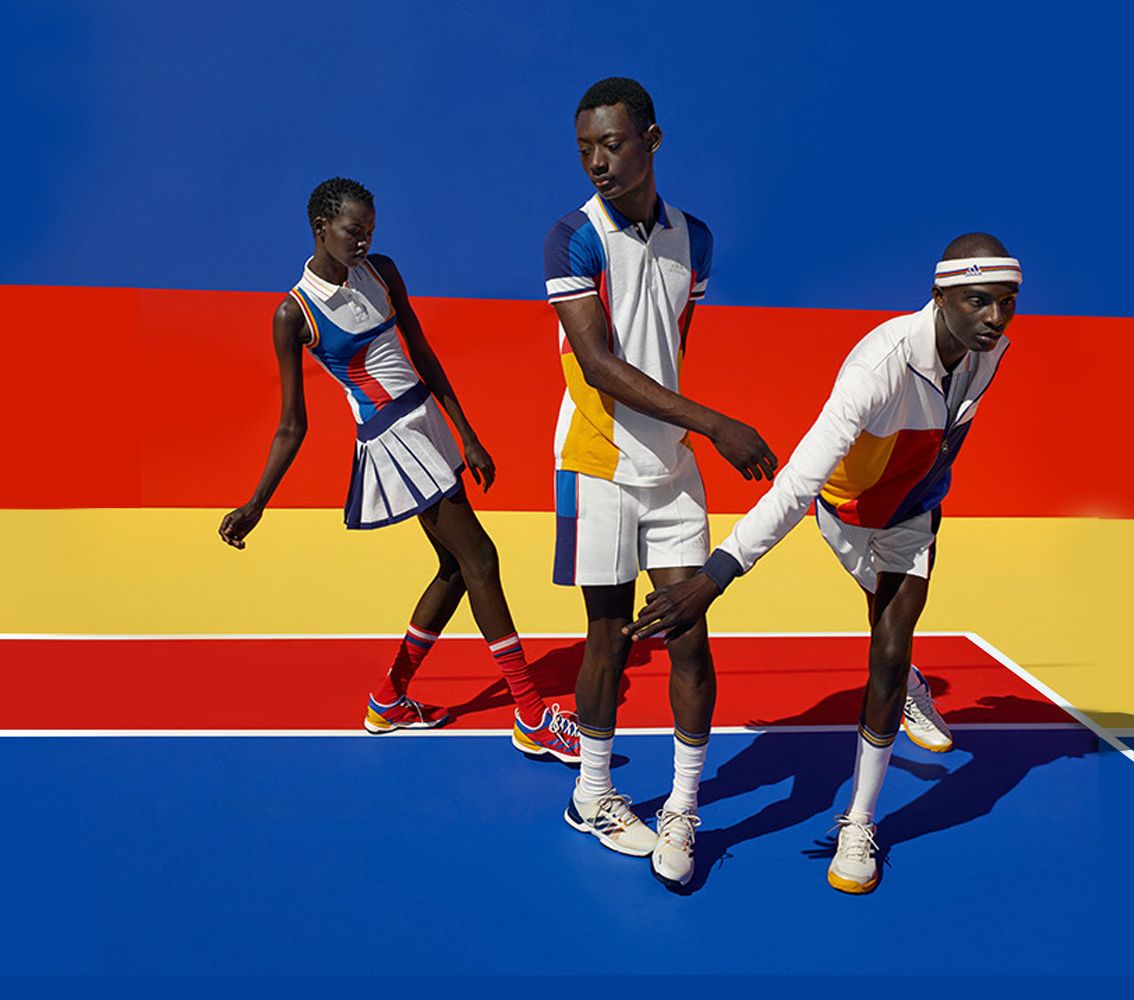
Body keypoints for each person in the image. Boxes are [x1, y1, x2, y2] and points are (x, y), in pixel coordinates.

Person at [624, 233, 1022, 893]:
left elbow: (943, 439)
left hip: (912, 519)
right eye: (979, 301)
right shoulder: (878, 368)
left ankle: (859, 822)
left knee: (888, 649)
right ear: (939, 295)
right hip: (845, 515)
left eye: (1006, 302)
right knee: (883, 631)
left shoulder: (988, 351)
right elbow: (796, 485)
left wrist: (923, 499)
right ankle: (905, 682)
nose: (995, 317)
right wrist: (713, 577)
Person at [219, 177, 578, 762]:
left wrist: (467, 433)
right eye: (352, 230)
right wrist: (257, 502)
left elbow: (422, 352)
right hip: (393, 439)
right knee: (482, 558)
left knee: (456, 569)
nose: (364, 240)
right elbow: (292, 424)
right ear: (321, 229)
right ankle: (531, 714)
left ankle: (388, 700)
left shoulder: (382, 271)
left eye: (370, 229)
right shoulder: (294, 313)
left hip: (427, 420)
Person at [545, 78, 777, 888]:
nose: (597, 161)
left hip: (671, 469)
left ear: (651, 140)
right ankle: (592, 794)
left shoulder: (695, 240)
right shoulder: (573, 238)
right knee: (608, 636)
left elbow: (669, 341)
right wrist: (715, 423)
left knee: (690, 637)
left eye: (612, 144)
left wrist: (688, 431)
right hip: (599, 462)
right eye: (585, 149)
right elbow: (600, 365)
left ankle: (682, 807)